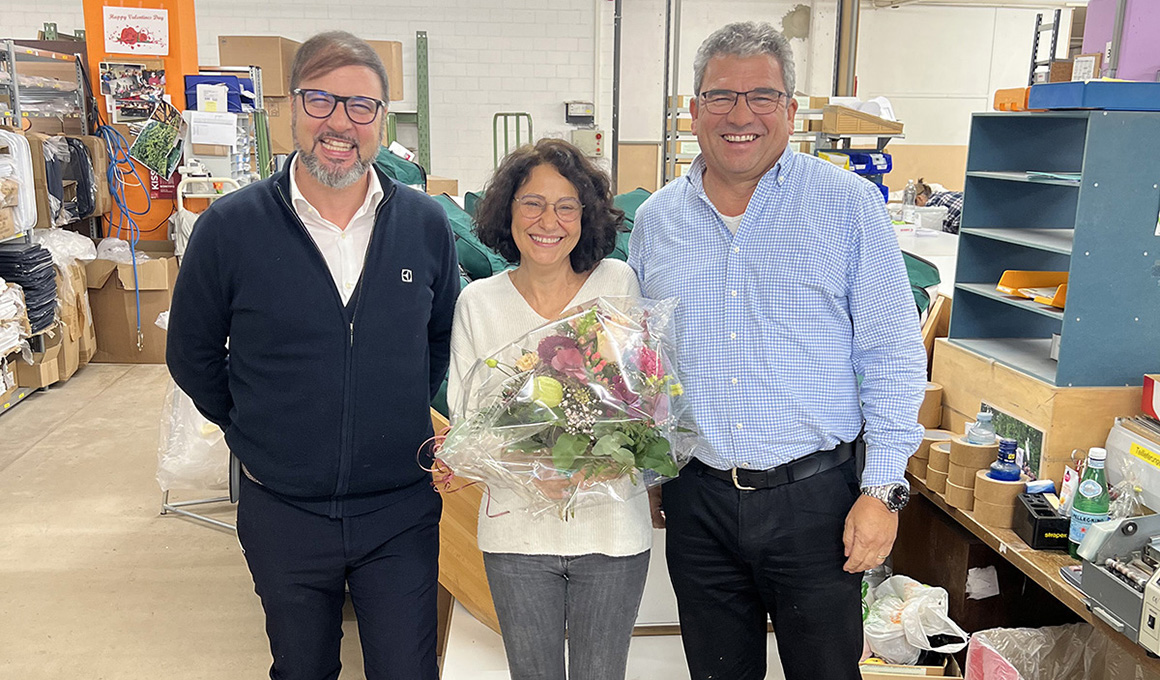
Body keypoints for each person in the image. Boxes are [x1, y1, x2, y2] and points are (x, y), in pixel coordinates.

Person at [629, 22, 926, 680]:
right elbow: (647, 360)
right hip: (697, 501)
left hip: (816, 502)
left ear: (791, 109)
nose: (740, 116)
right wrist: (652, 469)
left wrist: (885, 491)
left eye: (762, 96)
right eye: (720, 97)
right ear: (692, 109)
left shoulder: (847, 207)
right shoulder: (656, 222)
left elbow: (895, 357)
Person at [166, 31, 459, 680]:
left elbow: (441, 339)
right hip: (284, 510)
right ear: (292, 109)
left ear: (382, 121)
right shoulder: (231, 227)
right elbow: (190, 353)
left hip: (399, 510)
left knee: (408, 670)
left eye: (361, 106)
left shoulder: (425, 224)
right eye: (320, 99)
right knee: (301, 670)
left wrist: (399, 412)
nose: (340, 122)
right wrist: (255, 432)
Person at [448, 138, 651, 680]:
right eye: (532, 202)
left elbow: (642, 403)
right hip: (516, 536)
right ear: (506, 211)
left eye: (567, 206)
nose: (549, 220)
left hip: (611, 533)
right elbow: (466, 422)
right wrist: (531, 467)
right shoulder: (479, 303)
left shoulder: (616, 285)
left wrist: (592, 463)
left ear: (586, 217)